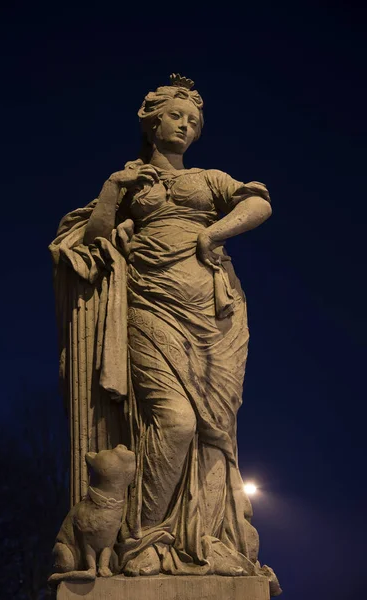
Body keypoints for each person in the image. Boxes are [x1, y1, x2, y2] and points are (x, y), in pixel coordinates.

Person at [49, 74, 281, 594]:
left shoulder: (209, 179)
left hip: (215, 318)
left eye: (194, 120)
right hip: (150, 307)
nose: (186, 125)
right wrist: (112, 190)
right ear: (152, 121)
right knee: (175, 422)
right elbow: (94, 241)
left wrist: (212, 232)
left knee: (213, 432)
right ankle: (144, 539)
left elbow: (259, 204)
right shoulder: (130, 183)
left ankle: (206, 541)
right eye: (176, 115)